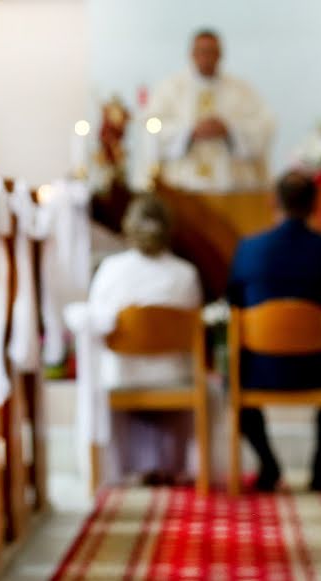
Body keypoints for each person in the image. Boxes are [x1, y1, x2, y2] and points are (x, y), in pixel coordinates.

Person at [227, 171, 321, 491]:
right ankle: (319, 471)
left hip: (260, 370)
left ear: (273, 202)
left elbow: (233, 302)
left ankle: (268, 465)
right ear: (315, 205)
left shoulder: (249, 249)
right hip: (319, 369)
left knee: (232, 373)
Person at [87, 196, 204, 484]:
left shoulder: (111, 270)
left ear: (129, 227)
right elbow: (196, 325)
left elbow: (95, 320)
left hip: (123, 373)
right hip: (173, 373)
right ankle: (170, 463)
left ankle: (133, 466)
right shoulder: (186, 274)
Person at [146, 29, 274, 193]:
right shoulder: (170, 89)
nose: (206, 57)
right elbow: (152, 126)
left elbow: (264, 126)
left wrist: (229, 130)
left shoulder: (242, 90)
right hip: (181, 186)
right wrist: (189, 132)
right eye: (201, 51)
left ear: (220, 55)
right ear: (192, 54)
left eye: (212, 52)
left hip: (231, 186)